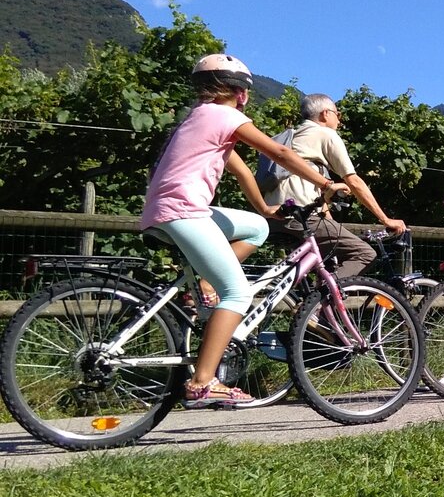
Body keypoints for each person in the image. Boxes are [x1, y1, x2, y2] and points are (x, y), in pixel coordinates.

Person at [141, 54, 349, 407]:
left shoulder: (198, 119)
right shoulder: (226, 116)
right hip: (185, 212)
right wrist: (324, 184)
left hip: (170, 210)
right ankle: (204, 383)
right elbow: (281, 153)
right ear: (240, 92)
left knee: (256, 228)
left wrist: (265, 210)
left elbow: (241, 171)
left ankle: (205, 284)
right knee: (237, 294)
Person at [264, 94, 406, 278]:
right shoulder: (325, 134)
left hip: (273, 214)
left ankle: (307, 303)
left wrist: (333, 223)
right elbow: (353, 181)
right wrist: (386, 220)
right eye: (337, 114)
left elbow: (318, 196)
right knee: (365, 254)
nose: (339, 120)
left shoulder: (293, 137)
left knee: (327, 262)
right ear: (325, 114)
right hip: (300, 215)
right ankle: (320, 300)